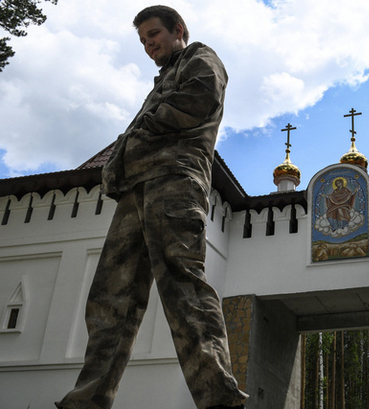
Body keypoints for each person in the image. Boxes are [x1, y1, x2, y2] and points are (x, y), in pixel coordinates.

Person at [56, 6, 248, 409]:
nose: (148, 45)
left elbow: (201, 95)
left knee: (183, 286)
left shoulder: (200, 57)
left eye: (154, 34)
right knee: (111, 297)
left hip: (174, 182)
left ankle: (219, 398)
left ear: (178, 29)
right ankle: (90, 399)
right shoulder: (163, 78)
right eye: (143, 40)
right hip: (135, 191)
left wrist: (139, 134)